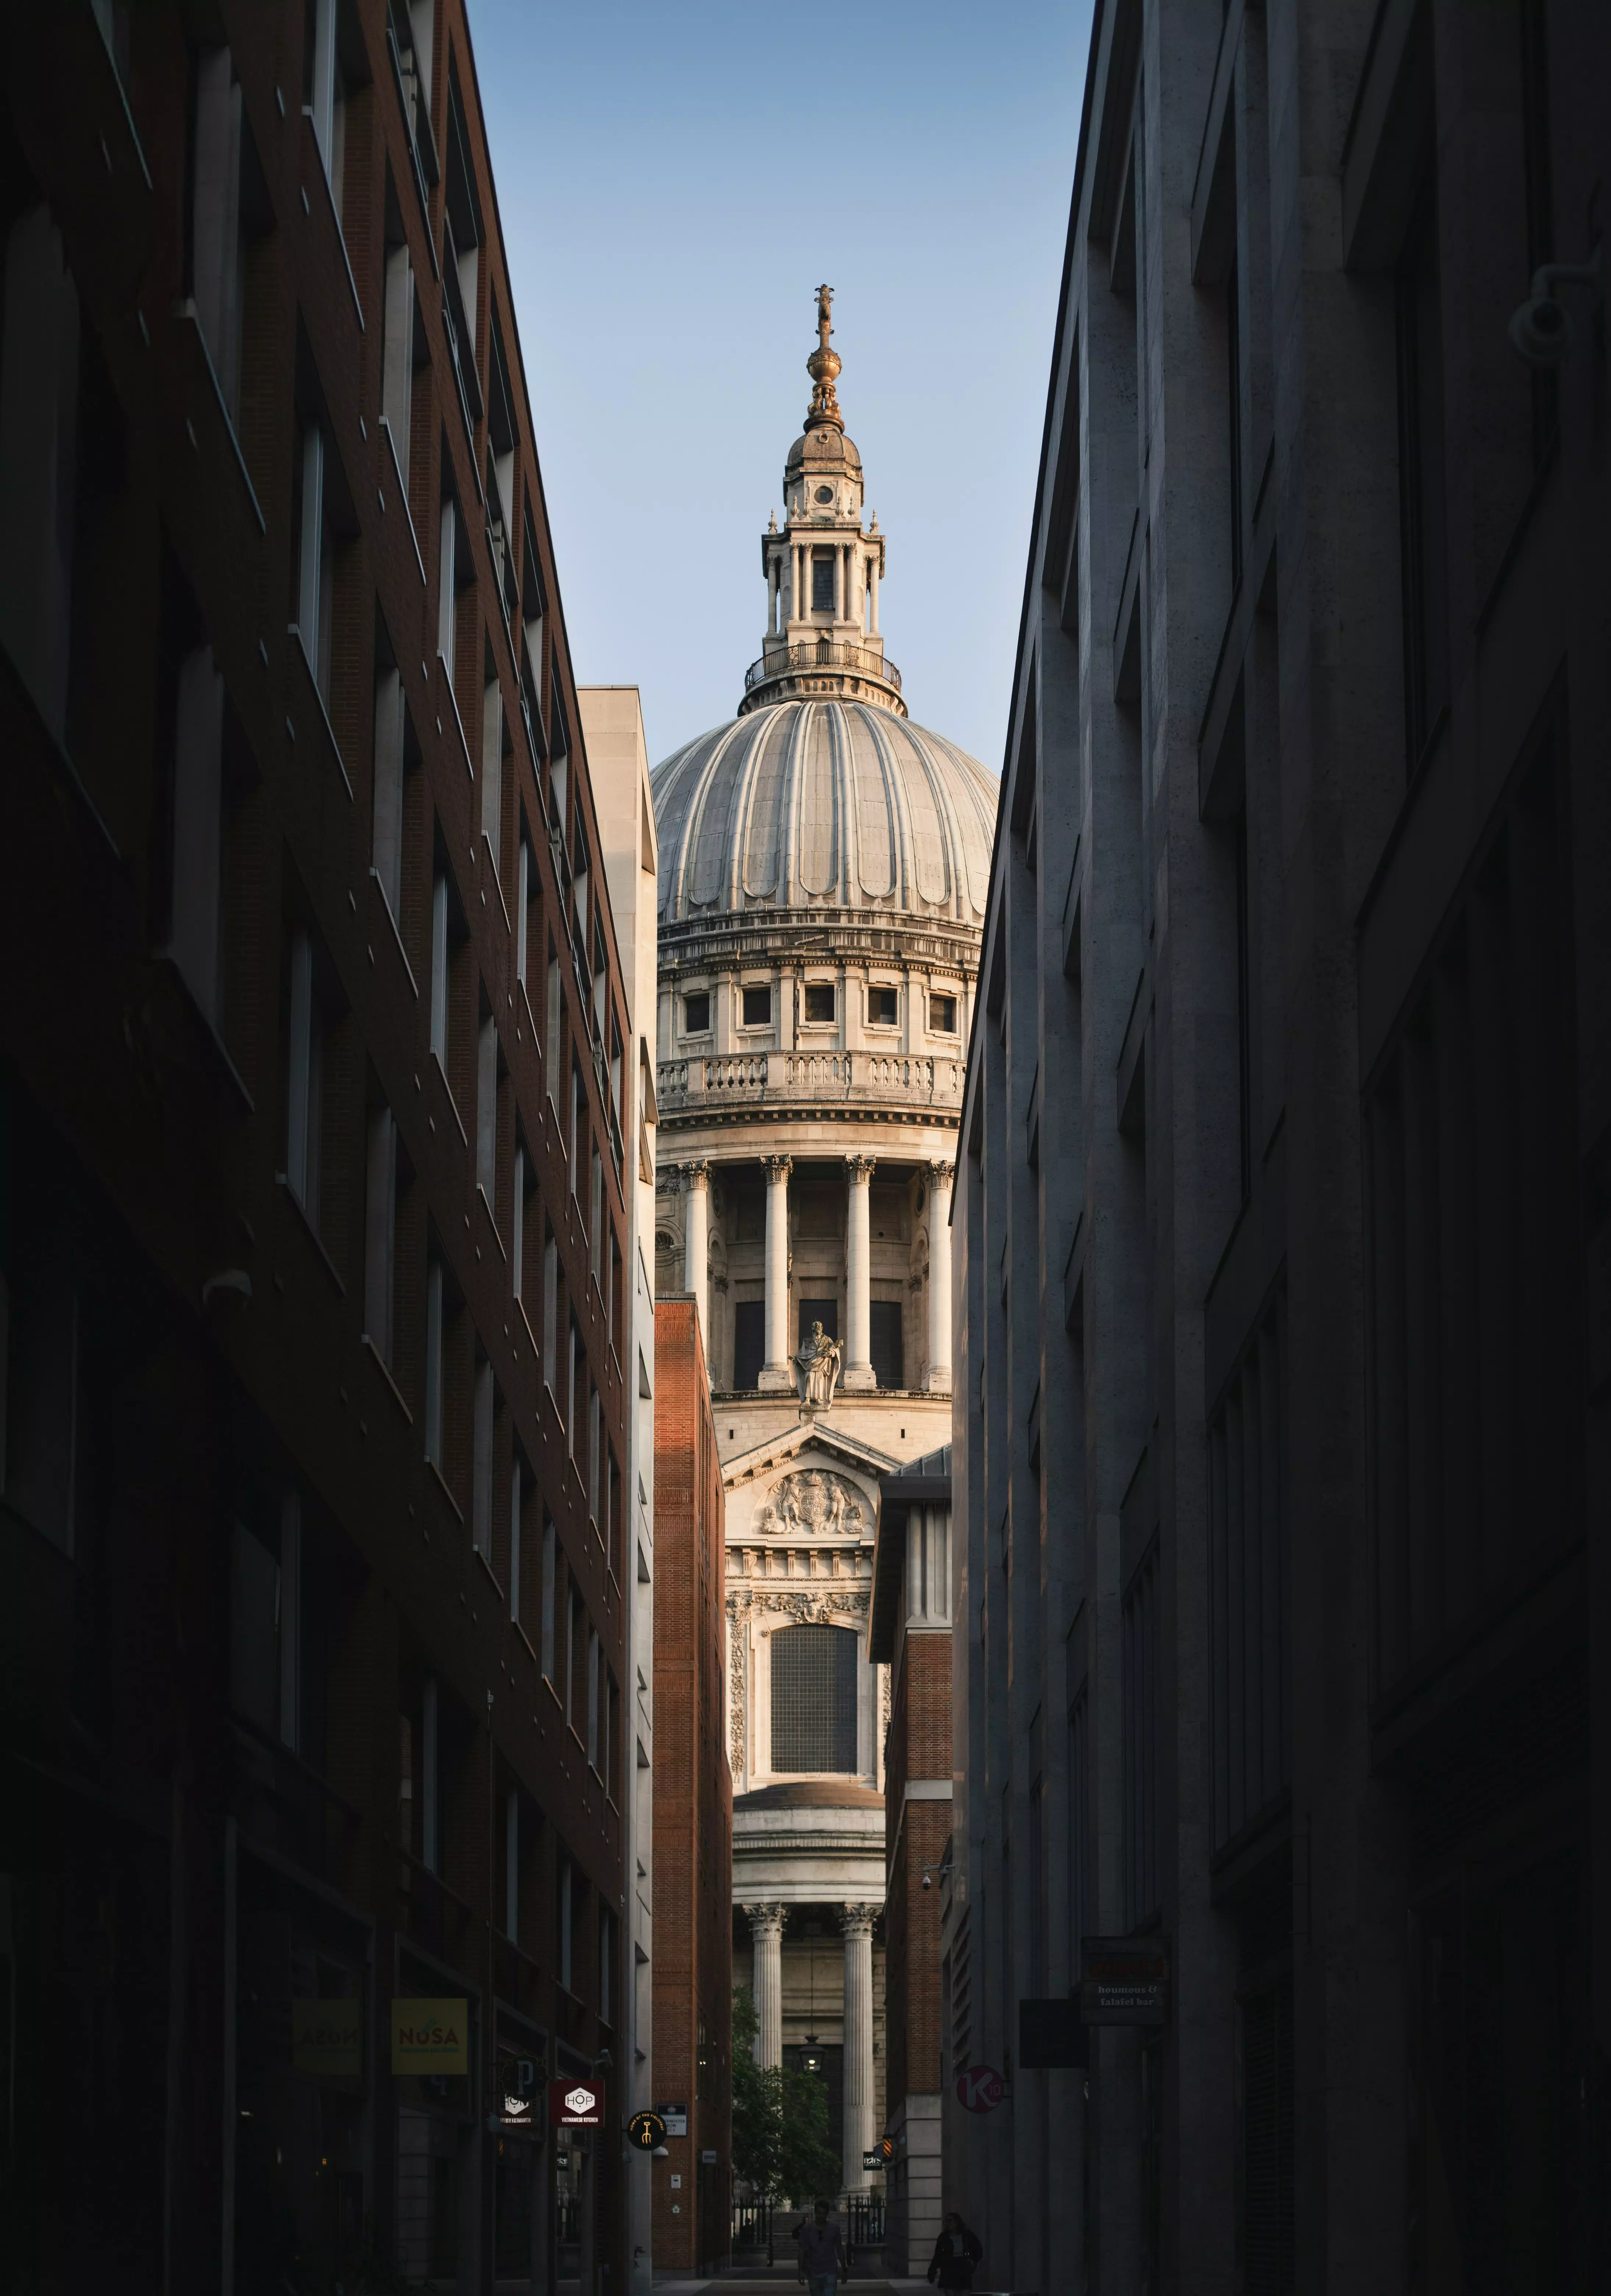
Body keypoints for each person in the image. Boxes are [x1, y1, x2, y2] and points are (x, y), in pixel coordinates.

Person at [796, 2198, 848, 2296]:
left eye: (824, 2213)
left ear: (827, 2214)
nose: (821, 2216)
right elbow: (802, 2251)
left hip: (830, 2271)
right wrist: (800, 2272)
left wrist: (844, 2269)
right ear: (815, 2213)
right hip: (814, 2272)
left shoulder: (834, 2228)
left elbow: (840, 2249)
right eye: (819, 2213)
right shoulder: (807, 2229)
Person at [927, 2211, 983, 2290]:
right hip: (949, 2269)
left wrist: (973, 2260)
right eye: (946, 2222)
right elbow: (938, 2255)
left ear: (957, 2222)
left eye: (951, 2220)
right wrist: (932, 2270)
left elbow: (978, 2249)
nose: (948, 2223)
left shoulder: (967, 2235)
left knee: (964, 2290)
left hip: (963, 2267)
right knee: (950, 2290)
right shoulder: (944, 2237)